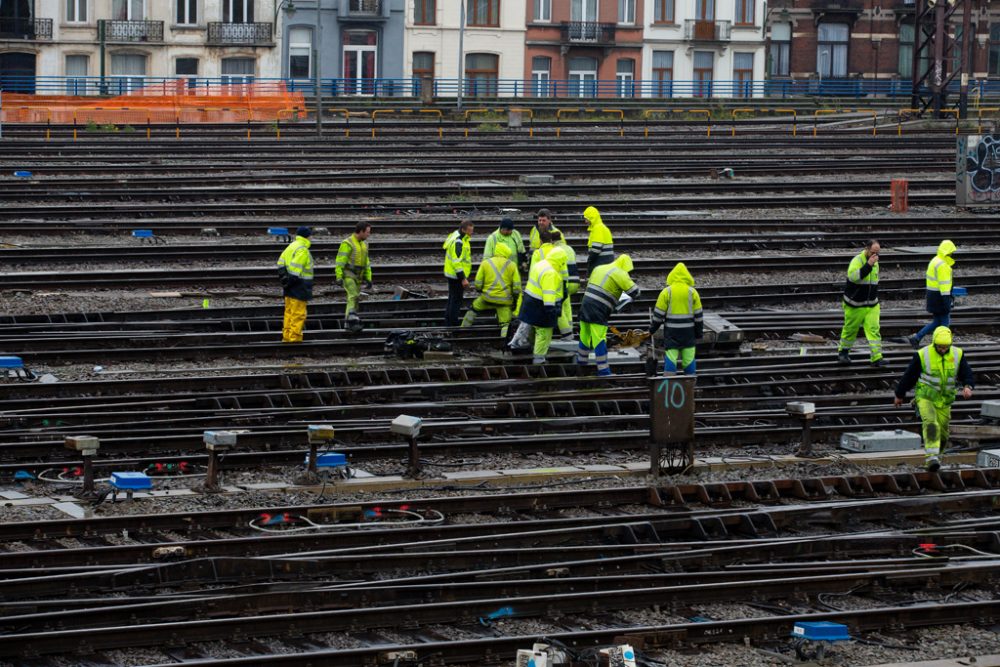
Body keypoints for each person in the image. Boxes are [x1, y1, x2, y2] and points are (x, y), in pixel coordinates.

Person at [893, 326, 974, 472]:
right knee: (931, 424)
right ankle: (931, 458)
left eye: (945, 347)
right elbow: (909, 376)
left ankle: (937, 457)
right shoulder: (923, 354)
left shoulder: (957, 354)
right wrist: (900, 395)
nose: (942, 350)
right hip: (926, 397)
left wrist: (968, 386)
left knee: (943, 433)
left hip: (945, 400)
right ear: (934, 343)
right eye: (939, 347)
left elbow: (966, 372)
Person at [577, 254, 640, 376]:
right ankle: (604, 371)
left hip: (585, 305)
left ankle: (581, 366)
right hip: (598, 309)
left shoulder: (599, 268)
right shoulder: (620, 273)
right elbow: (636, 293)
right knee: (599, 339)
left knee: (584, 336)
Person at [649, 262, 703, 376]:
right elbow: (698, 316)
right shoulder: (693, 292)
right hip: (689, 332)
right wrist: (698, 333)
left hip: (672, 332)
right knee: (688, 358)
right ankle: (690, 382)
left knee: (671, 357)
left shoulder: (666, 292)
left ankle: (669, 383)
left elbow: (658, 316)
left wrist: (652, 329)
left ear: (671, 276)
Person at [516, 246, 567, 364]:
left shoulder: (540, 264)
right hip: (542, 305)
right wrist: (551, 311)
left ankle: (530, 349)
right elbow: (548, 294)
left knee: (534, 328)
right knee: (544, 332)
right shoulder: (551, 273)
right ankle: (539, 359)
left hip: (530, 301)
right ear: (560, 260)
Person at [838, 239, 883, 366]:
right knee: (850, 330)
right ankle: (843, 353)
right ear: (867, 249)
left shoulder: (875, 262)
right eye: (873, 252)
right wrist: (868, 265)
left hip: (871, 304)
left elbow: (874, 282)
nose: (876, 256)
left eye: (878, 253)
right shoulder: (857, 261)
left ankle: (877, 358)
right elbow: (854, 278)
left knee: (874, 330)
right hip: (855, 304)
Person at [461, 243, 521, 337]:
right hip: (504, 301)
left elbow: (478, 283)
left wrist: (480, 290)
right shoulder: (512, 265)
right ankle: (504, 342)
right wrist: (515, 300)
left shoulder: (486, 263)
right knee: (505, 324)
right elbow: (517, 288)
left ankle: (462, 330)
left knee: (473, 309)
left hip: (487, 298)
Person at [908, 240, 957, 348]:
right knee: (945, 324)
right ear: (948, 252)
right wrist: (947, 302)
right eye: (952, 252)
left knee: (936, 322)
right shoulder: (943, 265)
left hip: (932, 297)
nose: (953, 254)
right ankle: (945, 344)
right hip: (940, 298)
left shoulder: (935, 260)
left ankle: (916, 338)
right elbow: (944, 287)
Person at [276, 226, 314, 343]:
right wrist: (292, 280)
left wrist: (285, 281)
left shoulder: (291, 246)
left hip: (289, 287)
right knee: (298, 314)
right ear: (307, 236)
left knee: (289, 313)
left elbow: (280, 263)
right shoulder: (302, 249)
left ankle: (287, 337)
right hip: (299, 286)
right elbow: (295, 270)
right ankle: (295, 340)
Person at [334, 222, 372, 319]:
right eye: (367, 232)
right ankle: (349, 321)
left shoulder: (364, 244)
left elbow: (366, 263)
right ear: (361, 231)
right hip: (348, 274)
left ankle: (351, 320)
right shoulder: (347, 243)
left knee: (355, 299)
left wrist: (368, 278)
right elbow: (340, 261)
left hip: (358, 276)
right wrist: (339, 276)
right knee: (353, 295)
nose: (369, 234)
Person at [443, 219, 474, 326]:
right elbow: (457, 262)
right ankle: (453, 324)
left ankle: (448, 321)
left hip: (452, 274)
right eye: (470, 231)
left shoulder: (458, 237)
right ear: (463, 230)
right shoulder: (459, 242)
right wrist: (463, 278)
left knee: (452, 298)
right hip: (456, 276)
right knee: (456, 300)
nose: (471, 233)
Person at [583, 205, 614, 275]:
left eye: (586, 219)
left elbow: (596, 249)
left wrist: (590, 260)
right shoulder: (601, 227)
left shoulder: (598, 228)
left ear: (592, 218)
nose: (585, 221)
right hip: (606, 261)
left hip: (601, 262)